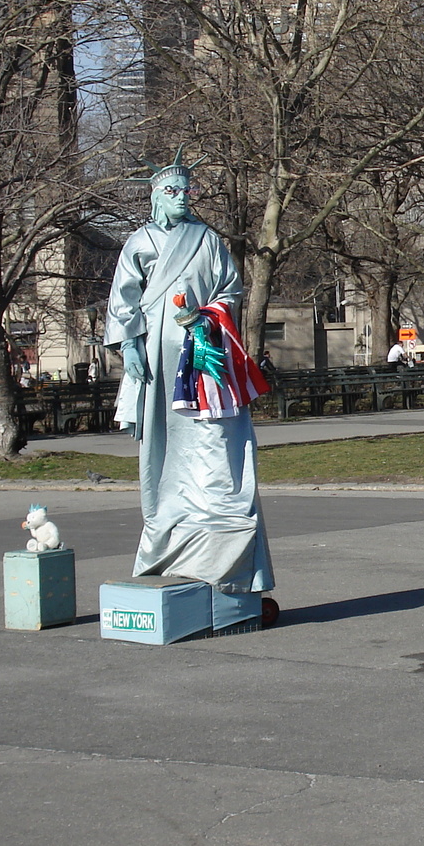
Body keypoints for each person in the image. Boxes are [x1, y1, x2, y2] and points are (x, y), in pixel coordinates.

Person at [105, 152, 274, 596]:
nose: (181, 198)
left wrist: (209, 316)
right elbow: (123, 301)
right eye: (172, 192)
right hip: (156, 357)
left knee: (215, 437)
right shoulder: (137, 244)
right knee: (162, 441)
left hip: (202, 351)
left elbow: (230, 288)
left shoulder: (207, 239)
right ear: (155, 197)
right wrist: (128, 345)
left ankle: (217, 525)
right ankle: (167, 526)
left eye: (187, 191)